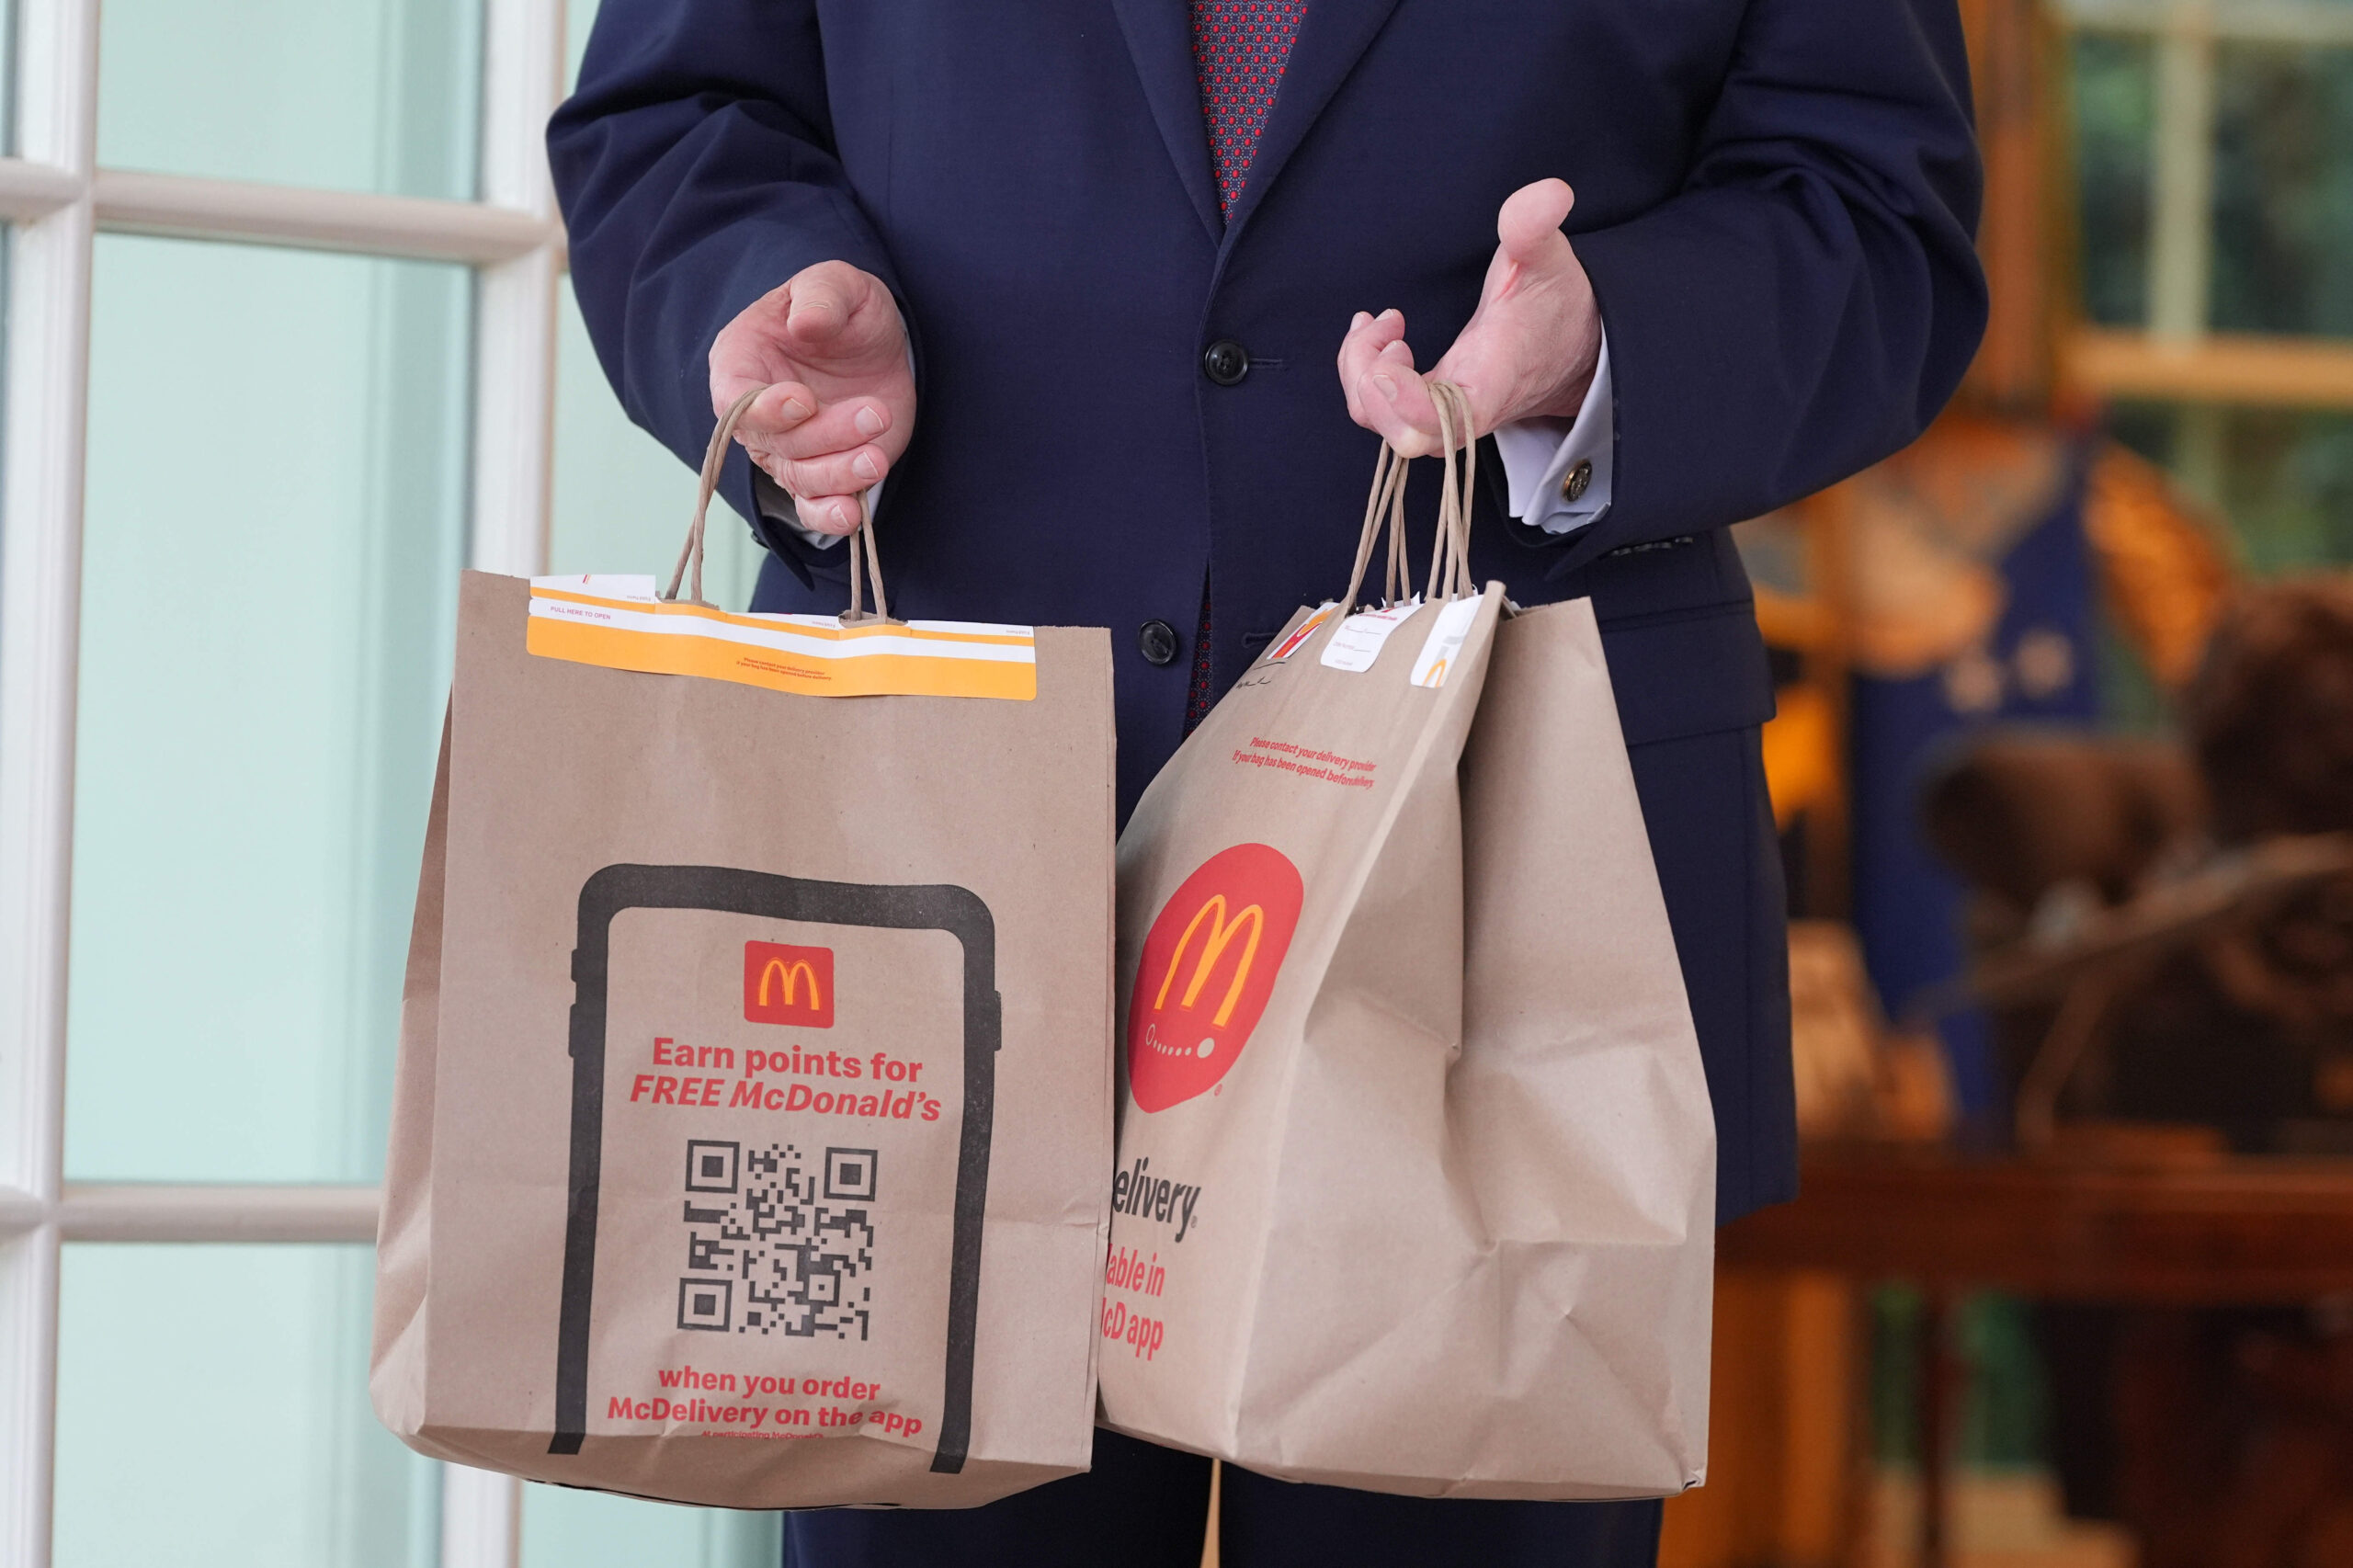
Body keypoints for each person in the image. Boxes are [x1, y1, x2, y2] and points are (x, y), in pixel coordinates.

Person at [550, 3, 1985, 1562]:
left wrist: (1606, 349)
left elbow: (1876, 215)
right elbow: (673, 116)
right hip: (933, 884)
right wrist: (761, 300)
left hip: (1502, 892)